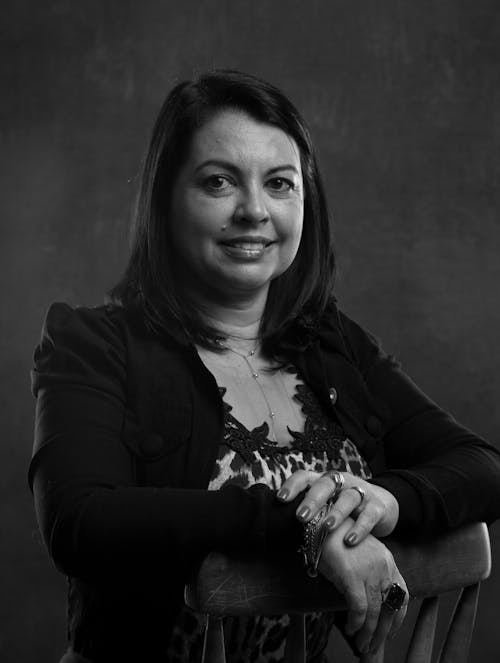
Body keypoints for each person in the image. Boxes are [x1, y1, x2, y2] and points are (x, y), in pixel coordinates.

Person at [29, 70, 500, 663]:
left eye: (280, 183)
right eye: (219, 181)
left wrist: (378, 502)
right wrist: (303, 526)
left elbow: (485, 466)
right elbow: (81, 524)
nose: (254, 210)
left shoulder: (332, 344)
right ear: (166, 198)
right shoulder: (94, 344)